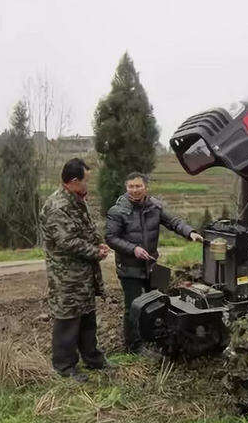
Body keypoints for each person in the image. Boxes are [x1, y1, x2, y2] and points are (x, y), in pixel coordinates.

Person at [105, 172, 203, 356]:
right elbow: (111, 238)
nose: (134, 190)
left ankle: (154, 338)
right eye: (131, 187)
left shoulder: (154, 207)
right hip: (129, 267)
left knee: (155, 303)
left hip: (150, 265)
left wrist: (190, 232)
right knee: (133, 306)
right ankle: (134, 346)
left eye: (138, 186)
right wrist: (133, 249)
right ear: (126, 188)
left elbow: (173, 221)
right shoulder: (117, 211)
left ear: (145, 187)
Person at [39, 158, 114, 382]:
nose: (88, 184)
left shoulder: (77, 201)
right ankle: (65, 366)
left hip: (83, 275)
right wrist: (95, 252)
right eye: (85, 180)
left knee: (87, 318)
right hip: (66, 277)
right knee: (68, 321)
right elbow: (67, 242)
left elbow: (88, 227)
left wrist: (98, 241)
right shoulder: (57, 207)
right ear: (73, 181)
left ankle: (93, 358)